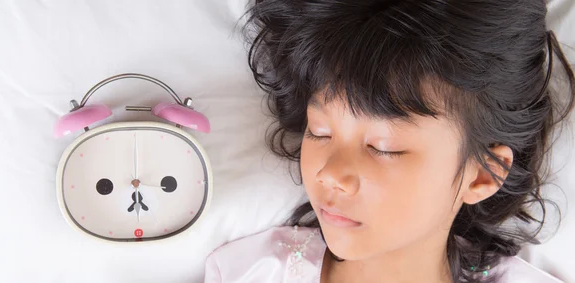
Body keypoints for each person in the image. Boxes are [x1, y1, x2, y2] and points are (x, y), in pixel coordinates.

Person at [205, 0, 575, 282]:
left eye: (383, 147)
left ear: (482, 174)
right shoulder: (251, 271)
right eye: (319, 131)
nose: (330, 173)